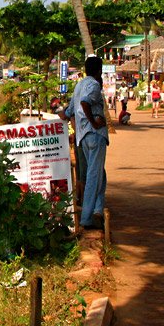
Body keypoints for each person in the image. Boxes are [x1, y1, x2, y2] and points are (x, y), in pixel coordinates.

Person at [61, 56, 109, 230]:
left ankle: (97, 209)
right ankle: (87, 218)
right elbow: (85, 103)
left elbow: (69, 110)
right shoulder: (94, 85)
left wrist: (61, 115)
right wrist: (94, 123)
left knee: (99, 175)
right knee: (94, 176)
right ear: (99, 70)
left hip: (83, 137)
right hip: (94, 135)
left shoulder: (79, 85)